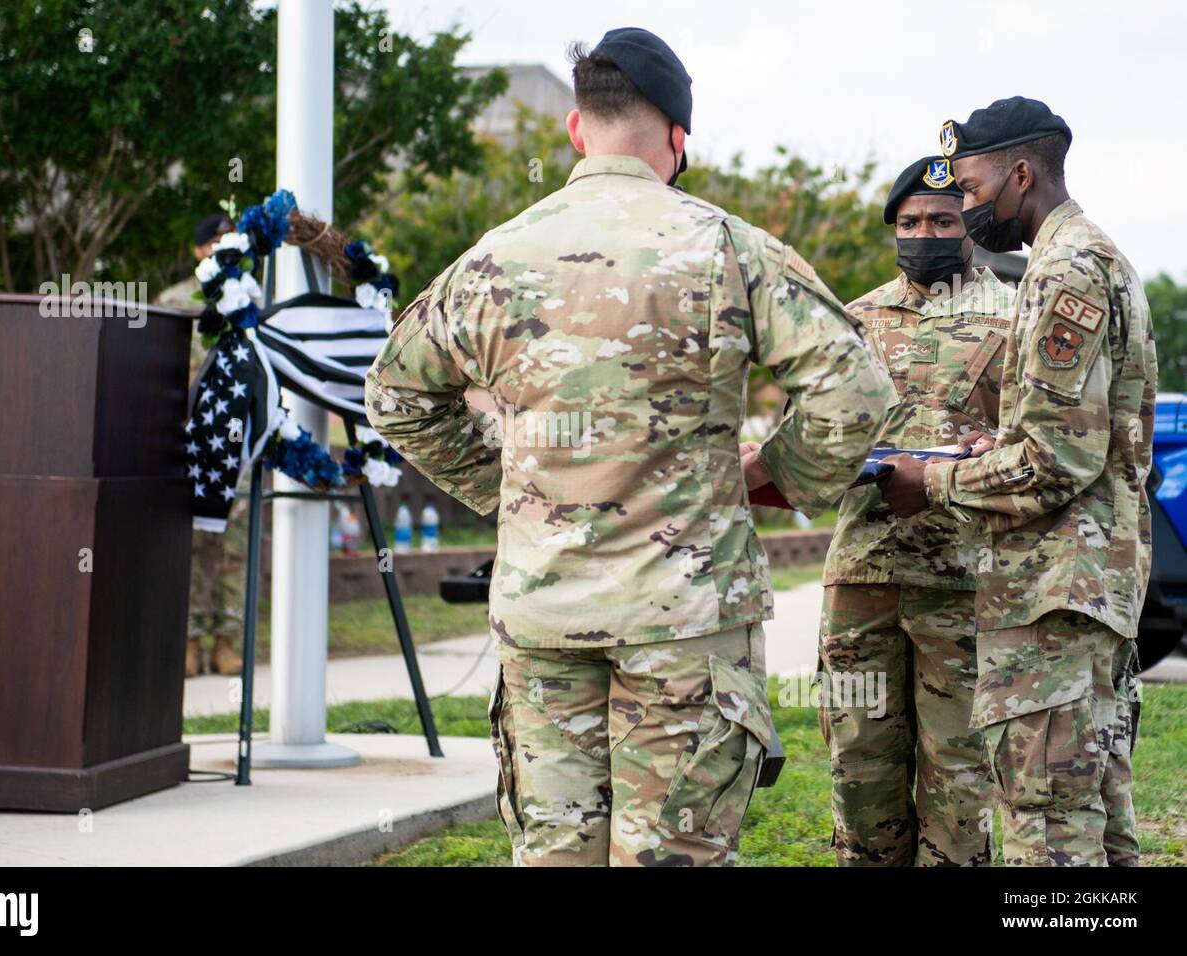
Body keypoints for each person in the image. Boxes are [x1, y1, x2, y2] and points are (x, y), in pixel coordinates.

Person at [366, 27, 893, 866]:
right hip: (686, 623)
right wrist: (771, 476)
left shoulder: (494, 257)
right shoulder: (728, 248)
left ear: (577, 130)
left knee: (555, 857)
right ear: (678, 140)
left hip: (544, 621)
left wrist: (511, 493)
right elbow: (857, 391)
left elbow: (396, 395)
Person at [880, 97, 1155, 866]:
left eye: (968, 190)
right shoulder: (1097, 259)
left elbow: (1052, 461)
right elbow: (1079, 436)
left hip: (1054, 593)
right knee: (1097, 811)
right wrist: (985, 448)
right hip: (1088, 585)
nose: (963, 209)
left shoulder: (1063, 271)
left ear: (1021, 173)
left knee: (1048, 818)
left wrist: (932, 483)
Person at [818, 156, 1013, 866]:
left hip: (963, 585)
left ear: (970, 227)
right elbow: (816, 432)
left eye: (941, 220)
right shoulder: (854, 319)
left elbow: (1036, 447)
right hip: (862, 580)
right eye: (909, 222)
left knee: (960, 779)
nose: (924, 233)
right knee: (859, 767)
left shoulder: (1016, 314)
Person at [159, 213, 245, 678]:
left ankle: (226, 641)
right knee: (186, 545)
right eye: (213, 242)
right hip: (185, 444)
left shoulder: (249, 302)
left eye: (229, 240)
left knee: (232, 548)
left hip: (236, 444)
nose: (221, 248)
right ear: (197, 251)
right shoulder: (174, 303)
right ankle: (188, 640)